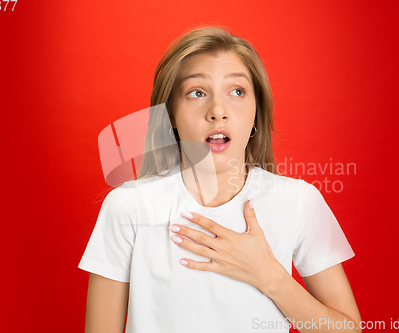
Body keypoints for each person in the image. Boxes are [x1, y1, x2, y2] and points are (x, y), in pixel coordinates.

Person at [79, 25, 361, 333]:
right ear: (170, 115)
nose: (217, 110)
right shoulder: (128, 207)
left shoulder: (298, 201)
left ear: (257, 111)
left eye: (237, 91)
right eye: (197, 92)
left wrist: (270, 276)